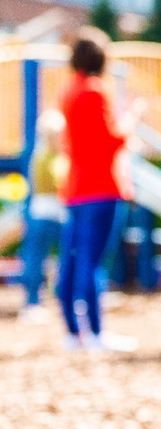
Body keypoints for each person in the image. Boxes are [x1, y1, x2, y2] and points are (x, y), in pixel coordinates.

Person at [57, 26, 142, 352]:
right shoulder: (95, 91)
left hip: (77, 187)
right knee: (93, 262)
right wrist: (132, 119)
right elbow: (110, 141)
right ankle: (94, 333)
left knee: (72, 259)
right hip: (102, 187)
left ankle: (71, 333)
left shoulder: (69, 91)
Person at [18, 110, 68, 324]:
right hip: (45, 215)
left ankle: (57, 297)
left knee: (60, 259)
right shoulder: (45, 156)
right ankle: (32, 302)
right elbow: (58, 182)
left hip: (55, 214)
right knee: (37, 259)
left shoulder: (53, 155)